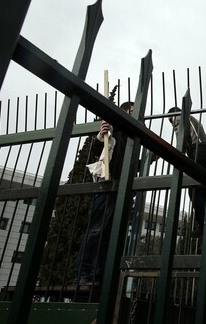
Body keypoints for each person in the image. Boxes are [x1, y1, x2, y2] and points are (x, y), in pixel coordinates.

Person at [76, 101, 134, 286]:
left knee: (109, 232)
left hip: (121, 187)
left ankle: (98, 273)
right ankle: (83, 272)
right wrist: (101, 136)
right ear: (124, 112)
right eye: (132, 111)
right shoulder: (113, 131)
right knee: (96, 229)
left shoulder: (130, 138)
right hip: (106, 184)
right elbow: (96, 148)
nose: (135, 114)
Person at [167, 107, 206, 238]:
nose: (171, 123)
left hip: (197, 150)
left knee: (194, 188)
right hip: (204, 150)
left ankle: (204, 224)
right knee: (201, 188)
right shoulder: (192, 120)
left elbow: (180, 145)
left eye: (170, 120)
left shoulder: (180, 118)